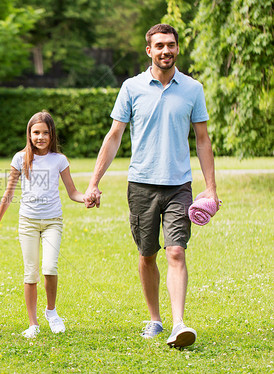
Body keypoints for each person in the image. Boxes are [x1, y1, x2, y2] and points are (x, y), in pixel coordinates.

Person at [84, 24, 220, 348]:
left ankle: (179, 324)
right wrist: (93, 182)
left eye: (171, 45)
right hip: (141, 185)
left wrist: (211, 188)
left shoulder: (192, 89)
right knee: (147, 255)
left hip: (178, 185)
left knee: (175, 251)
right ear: (149, 50)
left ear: (177, 48)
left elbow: (202, 140)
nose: (165, 51)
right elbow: (114, 136)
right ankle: (155, 319)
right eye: (159, 45)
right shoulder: (131, 88)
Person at [0, 111, 85, 338]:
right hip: (28, 222)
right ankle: (33, 324)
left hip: (53, 222)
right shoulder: (20, 159)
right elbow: (8, 193)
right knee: (30, 274)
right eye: (36, 132)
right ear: (29, 134)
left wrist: (86, 197)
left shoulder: (59, 160)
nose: (40, 137)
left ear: (52, 135)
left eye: (45, 133)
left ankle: (52, 312)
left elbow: (72, 192)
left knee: (50, 268)